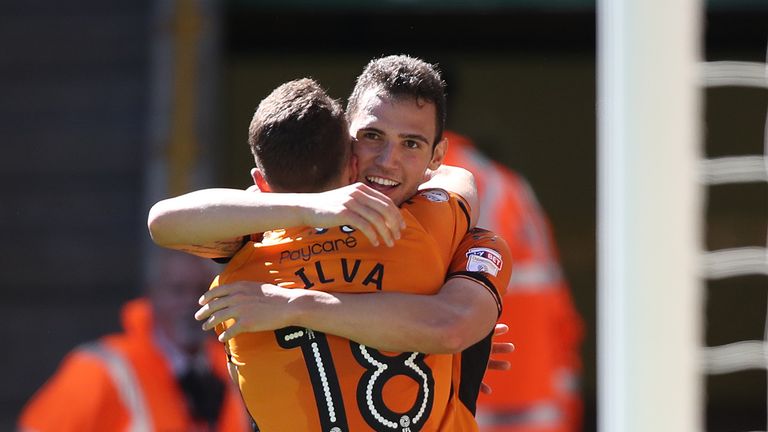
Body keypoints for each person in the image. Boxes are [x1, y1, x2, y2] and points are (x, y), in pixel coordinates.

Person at [149, 56, 511, 431]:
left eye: (411, 144)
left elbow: (167, 222)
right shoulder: (436, 232)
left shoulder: (253, 255)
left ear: (436, 155)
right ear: (348, 146)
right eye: (372, 136)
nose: (388, 161)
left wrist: (294, 304)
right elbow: (452, 325)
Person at [17, 249, 251, 432]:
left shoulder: (233, 368)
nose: (191, 302)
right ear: (152, 295)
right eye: (177, 290)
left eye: (201, 291)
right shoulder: (99, 369)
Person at [442, 131, 584, 432]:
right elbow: (561, 314)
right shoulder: (509, 187)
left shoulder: (425, 185)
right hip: (537, 402)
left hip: (471, 405)